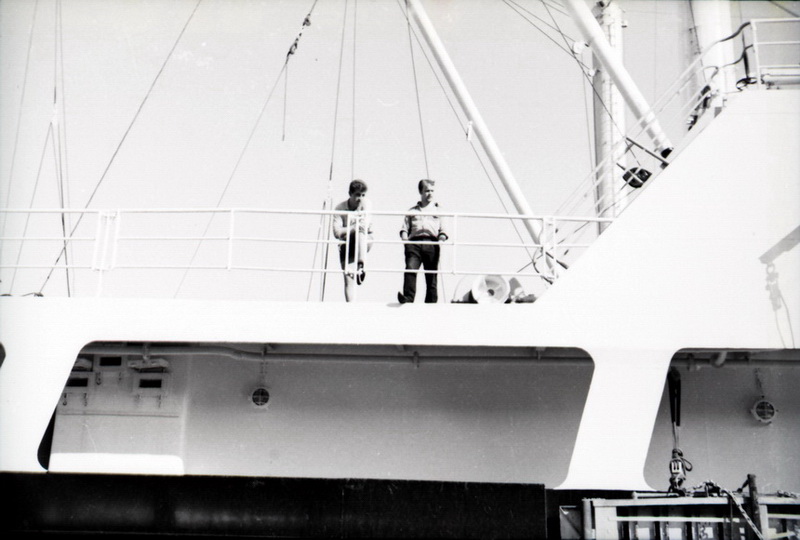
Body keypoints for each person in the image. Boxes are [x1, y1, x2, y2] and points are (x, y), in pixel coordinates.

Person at [397, 179, 448, 304]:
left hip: (432, 243)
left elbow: (443, 230)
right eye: (427, 191)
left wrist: (440, 240)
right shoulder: (412, 211)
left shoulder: (439, 211)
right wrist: (406, 242)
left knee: (431, 274)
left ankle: (431, 302)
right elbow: (404, 229)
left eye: (432, 191)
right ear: (421, 192)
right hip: (414, 243)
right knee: (410, 269)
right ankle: (408, 298)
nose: (430, 193)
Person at [332, 180, 373, 302]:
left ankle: (361, 266)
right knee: (348, 277)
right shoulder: (340, 208)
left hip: (364, 240)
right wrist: (352, 228)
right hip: (347, 243)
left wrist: (355, 227)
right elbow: (337, 232)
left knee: (360, 231)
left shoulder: (366, 204)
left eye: (363, 195)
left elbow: (365, 226)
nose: (360, 198)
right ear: (350, 194)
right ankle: (350, 306)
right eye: (357, 195)